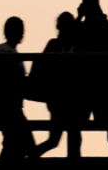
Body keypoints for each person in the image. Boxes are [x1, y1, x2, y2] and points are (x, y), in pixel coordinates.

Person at [73, 0, 108, 160]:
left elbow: (69, 38)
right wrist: (103, 18)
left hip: (84, 80)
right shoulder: (106, 26)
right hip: (104, 78)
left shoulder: (80, 27)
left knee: (76, 123)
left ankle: (75, 158)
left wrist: (78, 17)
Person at [0, 17, 34, 159]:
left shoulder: (1, 50)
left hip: (8, 105)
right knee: (22, 145)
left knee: (13, 145)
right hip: (9, 106)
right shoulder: (8, 53)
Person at [30, 12, 81, 158]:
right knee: (66, 137)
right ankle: (32, 155)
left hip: (62, 98)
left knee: (60, 138)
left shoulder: (63, 45)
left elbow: (38, 65)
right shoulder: (67, 45)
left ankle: (32, 155)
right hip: (62, 98)